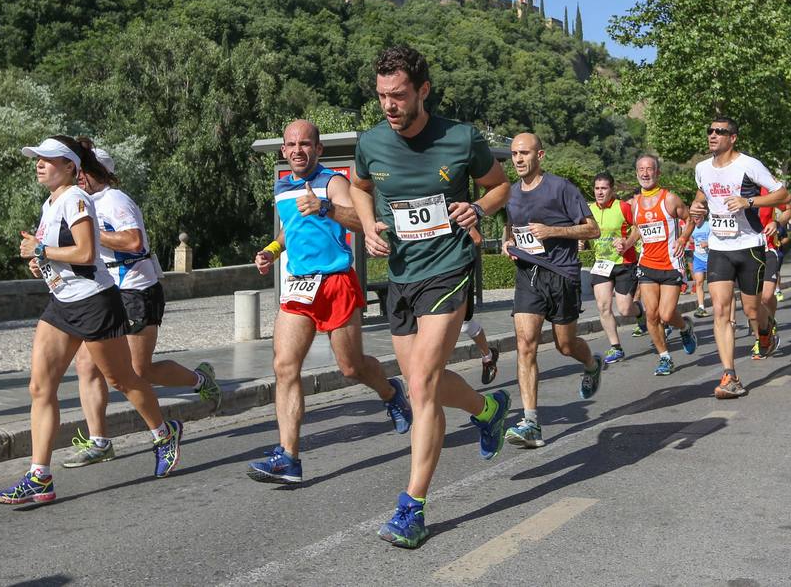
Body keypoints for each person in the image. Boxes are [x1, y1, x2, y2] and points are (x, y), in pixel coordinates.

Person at [351, 47, 511, 549]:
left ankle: (412, 507)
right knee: (425, 382)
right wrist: (369, 223)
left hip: (449, 269)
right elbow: (356, 186)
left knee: (420, 384)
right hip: (401, 273)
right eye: (381, 97)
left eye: (398, 96)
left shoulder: (461, 138)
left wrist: (478, 208)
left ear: (423, 90)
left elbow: (499, 186)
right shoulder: (371, 143)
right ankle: (488, 412)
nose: (389, 106)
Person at [0, 137, 183, 505]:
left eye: (49, 159)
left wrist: (42, 250)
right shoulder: (51, 204)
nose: (39, 164)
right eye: (37, 159)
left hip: (95, 302)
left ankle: (163, 433)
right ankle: (40, 477)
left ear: (70, 167)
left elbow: (86, 251)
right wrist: (41, 262)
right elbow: (62, 256)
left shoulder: (77, 199)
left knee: (122, 378)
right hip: (61, 304)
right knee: (39, 387)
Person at [247, 120, 412, 485]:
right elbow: (290, 227)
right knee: (284, 367)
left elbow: (360, 221)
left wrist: (324, 206)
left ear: (318, 150)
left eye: (305, 144)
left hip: (336, 282)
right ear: (283, 151)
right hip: (299, 286)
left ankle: (390, 392)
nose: (297, 150)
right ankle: (289, 457)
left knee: (351, 367)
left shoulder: (333, 182)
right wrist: (272, 251)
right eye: (291, 144)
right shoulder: (281, 186)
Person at [63, 142, 221, 469]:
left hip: (135, 292)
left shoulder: (114, 200)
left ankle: (198, 383)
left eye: (83, 173)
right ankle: (99, 442)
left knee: (138, 371)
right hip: (102, 293)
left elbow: (134, 241)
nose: (78, 179)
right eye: (76, 173)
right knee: (86, 365)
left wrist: (91, 234)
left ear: (100, 174)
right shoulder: (78, 204)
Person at [502, 133, 603, 447]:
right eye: (514, 154)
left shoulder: (561, 188)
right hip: (528, 275)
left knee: (565, 345)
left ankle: (591, 364)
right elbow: (511, 225)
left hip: (562, 275)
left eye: (524, 153)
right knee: (525, 344)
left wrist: (553, 231)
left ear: (540, 155)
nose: (518, 159)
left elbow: (592, 228)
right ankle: (531, 421)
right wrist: (508, 242)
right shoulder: (511, 194)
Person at [690, 117, 790, 399]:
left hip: (749, 246)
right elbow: (703, 194)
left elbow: (782, 192)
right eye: (709, 130)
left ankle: (767, 331)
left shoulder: (749, 164)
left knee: (751, 311)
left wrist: (749, 202)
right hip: (719, 248)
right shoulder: (701, 168)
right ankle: (730, 375)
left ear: (732, 138)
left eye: (719, 132)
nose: (712, 135)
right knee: (721, 310)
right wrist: (697, 208)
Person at [625, 155, 698, 376]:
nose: (645, 173)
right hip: (647, 264)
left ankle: (684, 327)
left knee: (666, 315)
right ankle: (665, 357)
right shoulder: (634, 203)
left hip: (671, 264)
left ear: (658, 173)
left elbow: (691, 219)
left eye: (650, 169)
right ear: (636, 173)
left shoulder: (670, 199)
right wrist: (626, 244)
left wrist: (683, 239)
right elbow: (638, 229)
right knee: (651, 315)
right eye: (641, 169)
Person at [586, 172, 638, 365]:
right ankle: (616, 347)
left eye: (604, 188)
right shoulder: (588, 210)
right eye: (597, 188)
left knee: (625, 309)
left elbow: (638, 228)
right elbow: (584, 230)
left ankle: (640, 313)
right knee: (603, 306)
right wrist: (581, 241)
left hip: (624, 262)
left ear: (612, 190)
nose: (600, 192)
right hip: (601, 264)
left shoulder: (623, 207)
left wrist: (627, 242)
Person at [751, 191, 791, 359]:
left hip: (768, 249)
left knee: (766, 297)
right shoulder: (731, 186)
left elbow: (789, 209)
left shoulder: (766, 190)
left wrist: (777, 222)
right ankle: (759, 339)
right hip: (745, 252)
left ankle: (770, 321)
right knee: (752, 303)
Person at [690, 218, 711, 317]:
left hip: (711, 258)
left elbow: (717, 239)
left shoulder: (709, 225)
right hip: (698, 258)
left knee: (712, 284)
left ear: (703, 215)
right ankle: (701, 307)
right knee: (699, 282)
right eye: (694, 217)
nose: (695, 219)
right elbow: (690, 239)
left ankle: (719, 305)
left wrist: (707, 243)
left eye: (698, 217)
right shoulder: (692, 226)